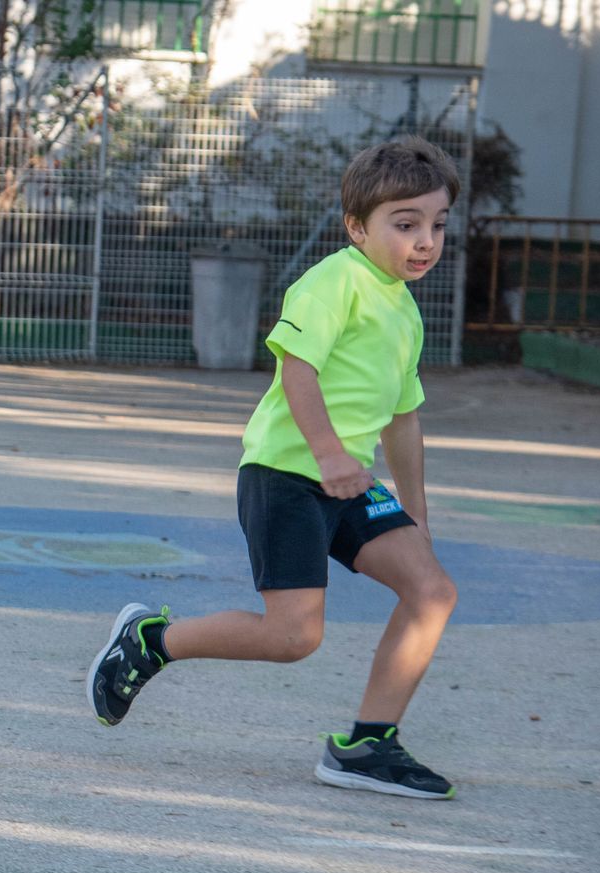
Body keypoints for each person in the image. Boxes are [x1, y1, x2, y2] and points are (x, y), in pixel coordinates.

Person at [86, 136, 462, 801]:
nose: (425, 241)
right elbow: (298, 371)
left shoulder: (403, 307)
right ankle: (151, 642)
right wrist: (329, 455)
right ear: (357, 227)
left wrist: (417, 513)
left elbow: (404, 418)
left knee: (431, 590)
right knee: (292, 638)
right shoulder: (333, 283)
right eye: (406, 224)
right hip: (286, 475)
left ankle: (368, 746)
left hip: (350, 483)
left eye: (437, 224)